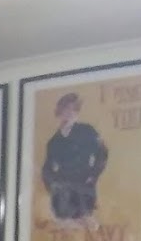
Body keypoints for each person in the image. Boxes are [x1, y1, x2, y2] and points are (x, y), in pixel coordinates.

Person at [42, 92, 109, 229]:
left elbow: (102, 153)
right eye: (66, 109)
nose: (69, 113)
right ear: (59, 112)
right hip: (62, 194)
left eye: (73, 109)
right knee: (66, 225)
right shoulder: (54, 142)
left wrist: (93, 175)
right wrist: (53, 185)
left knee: (90, 226)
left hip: (83, 188)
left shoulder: (87, 131)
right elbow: (47, 169)